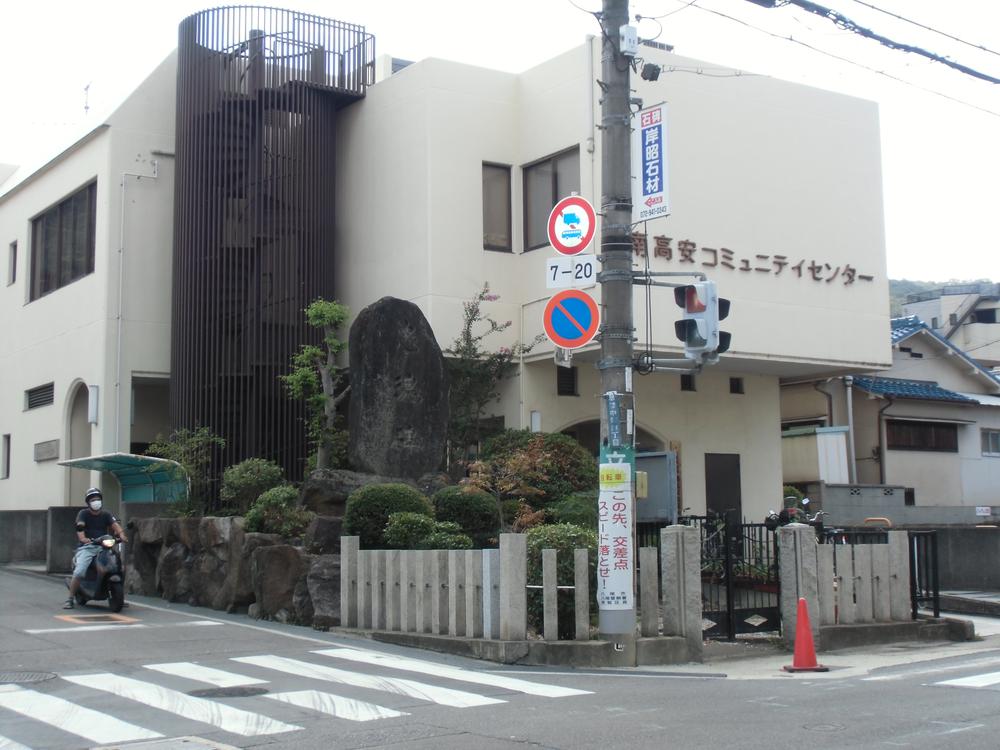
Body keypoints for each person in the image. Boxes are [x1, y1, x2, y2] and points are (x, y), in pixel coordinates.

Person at [64, 487, 128, 609]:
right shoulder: (83, 514)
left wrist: (122, 534)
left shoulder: (106, 514)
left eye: (98, 499)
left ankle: (119, 597)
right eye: (93, 499)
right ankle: (70, 599)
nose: (96, 502)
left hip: (104, 547)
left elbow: (115, 525)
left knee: (119, 568)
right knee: (79, 571)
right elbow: (80, 526)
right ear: (88, 502)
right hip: (87, 547)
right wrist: (83, 538)